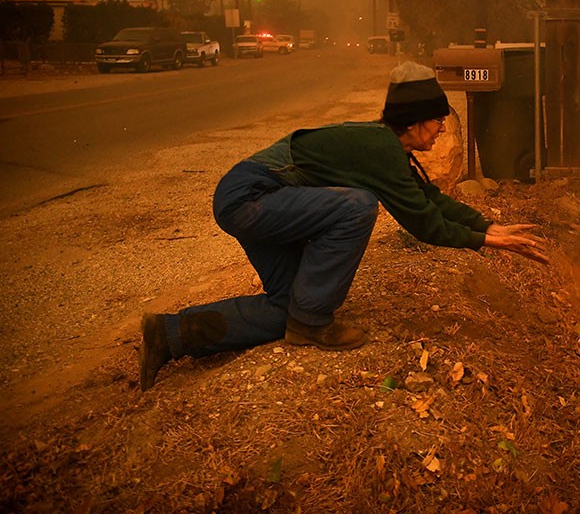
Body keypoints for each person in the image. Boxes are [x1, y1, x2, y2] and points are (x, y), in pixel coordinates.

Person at [138, 61, 548, 391]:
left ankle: (170, 334)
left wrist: (487, 227)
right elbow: (425, 225)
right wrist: (483, 241)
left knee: (289, 307)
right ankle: (314, 323)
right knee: (358, 206)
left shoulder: (389, 148)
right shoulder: (379, 147)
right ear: (416, 119)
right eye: (438, 119)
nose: (443, 128)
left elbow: (429, 200)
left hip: (257, 200)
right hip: (250, 197)